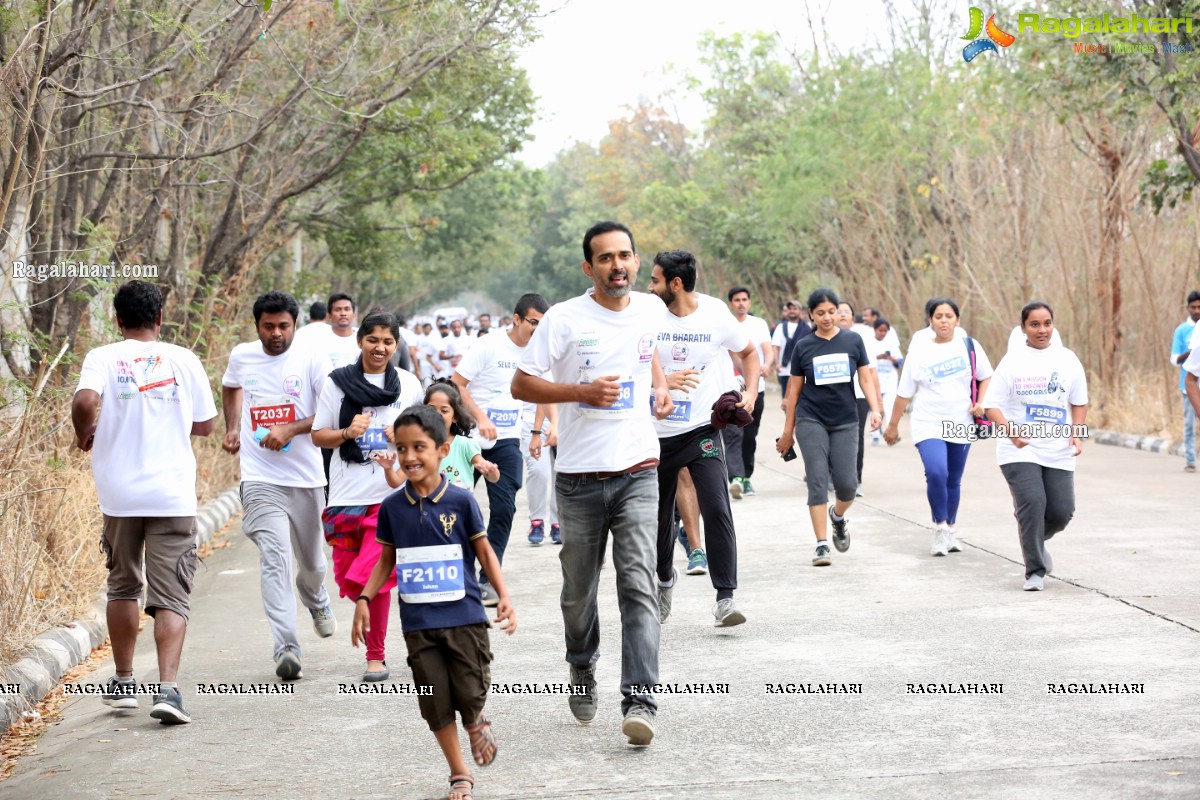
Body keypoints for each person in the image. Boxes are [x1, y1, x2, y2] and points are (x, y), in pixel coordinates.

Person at [512, 220, 673, 746]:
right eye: (605, 258)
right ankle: (582, 664)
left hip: (638, 470)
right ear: (589, 267)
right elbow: (522, 383)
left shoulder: (651, 308)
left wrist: (663, 389)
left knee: (637, 584)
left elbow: (649, 358)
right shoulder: (562, 319)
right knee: (578, 594)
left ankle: (641, 699)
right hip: (578, 479)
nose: (617, 265)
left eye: (625, 255)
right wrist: (579, 392)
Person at [352, 405, 516, 800]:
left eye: (419, 447)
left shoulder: (460, 501)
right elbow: (385, 559)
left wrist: (504, 595)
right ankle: (459, 773)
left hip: (465, 617)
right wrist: (364, 596)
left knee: (470, 690)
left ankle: (476, 719)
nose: (409, 457)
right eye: (403, 448)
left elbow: (484, 552)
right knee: (434, 701)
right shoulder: (392, 507)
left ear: (442, 450)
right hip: (418, 622)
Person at [71, 281, 216, 724]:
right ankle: (168, 691)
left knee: (123, 584)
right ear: (159, 319)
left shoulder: (102, 357)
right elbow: (206, 425)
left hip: (120, 494)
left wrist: (83, 434)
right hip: (171, 493)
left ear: (117, 319)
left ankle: (124, 680)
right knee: (171, 591)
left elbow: (85, 400)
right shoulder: (184, 359)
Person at [221, 291, 336, 680]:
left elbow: (326, 411)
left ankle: (316, 596)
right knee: (275, 558)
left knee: (314, 564)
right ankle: (286, 646)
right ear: (257, 326)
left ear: (295, 325)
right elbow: (231, 385)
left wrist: (289, 427)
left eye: (283, 326)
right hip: (259, 477)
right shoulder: (242, 356)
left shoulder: (310, 357)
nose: (275, 334)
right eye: (268, 326)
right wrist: (233, 427)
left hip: (305, 477)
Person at [647, 249, 760, 626]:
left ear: (675, 284)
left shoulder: (714, 313)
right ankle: (664, 579)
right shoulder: (646, 313)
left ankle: (725, 598)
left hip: (701, 430)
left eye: (655, 279)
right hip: (656, 436)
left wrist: (752, 392)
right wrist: (660, 381)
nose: (650, 285)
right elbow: (631, 360)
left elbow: (749, 352)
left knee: (716, 505)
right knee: (662, 519)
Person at [310, 312, 423, 681]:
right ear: (360, 341)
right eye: (373, 340)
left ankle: (376, 656)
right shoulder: (337, 384)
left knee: (378, 574)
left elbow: (424, 438)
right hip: (345, 494)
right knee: (348, 577)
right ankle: (368, 621)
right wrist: (346, 431)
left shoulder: (408, 385)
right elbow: (318, 435)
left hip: (389, 494)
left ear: (397, 345)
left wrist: (402, 437)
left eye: (388, 341)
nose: (380, 348)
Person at [984, 301, 1088, 592]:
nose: (1041, 330)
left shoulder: (1067, 359)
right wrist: (1011, 431)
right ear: (1023, 329)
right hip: (1019, 448)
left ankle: (1035, 538)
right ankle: (1035, 571)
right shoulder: (1012, 361)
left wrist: (1076, 433)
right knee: (1032, 503)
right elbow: (991, 406)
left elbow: (1079, 401)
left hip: (1058, 448)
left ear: (1053, 325)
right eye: (1034, 324)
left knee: (1061, 512)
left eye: (1047, 323)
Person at [453, 294, 549, 605]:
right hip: (468, 439)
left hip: (507, 441)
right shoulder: (489, 345)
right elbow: (457, 383)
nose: (538, 329)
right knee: (456, 509)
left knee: (505, 509)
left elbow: (540, 393)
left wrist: (536, 432)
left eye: (542, 324)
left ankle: (488, 579)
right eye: (534, 322)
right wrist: (479, 418)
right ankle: (458, 573)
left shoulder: (540, 353)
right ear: (517, 319)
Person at [777, 288, 882, 567]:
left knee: (848, 486)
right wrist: (788, 432)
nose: (826, 317)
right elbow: (793, 393)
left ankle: (838, 517)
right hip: (811, 419)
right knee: (817, 481)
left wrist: (875, 409)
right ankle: (822, 544)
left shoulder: (853, 340)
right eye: (820, 312)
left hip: (846, 419)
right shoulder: (803, 347)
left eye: (831, 311)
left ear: (839, 312)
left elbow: (866, 379)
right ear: (810, 314)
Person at [883, 298, 992, 556]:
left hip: (960, 422)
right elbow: (904, 392)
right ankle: (940, 528)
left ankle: (951, 530)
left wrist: (981, 402)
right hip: (928, 422)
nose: (944, 321)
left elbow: (987, 376)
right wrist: (893, 425)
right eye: (938, 316)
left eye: (949, 316)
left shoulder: (969, 346)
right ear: (930, 321)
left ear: (957, 320)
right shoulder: (919, 351)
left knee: (953, 479)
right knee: (936, 472)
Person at [723, 286, 773, 498]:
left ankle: (746, 477)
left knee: (749, 437)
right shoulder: (725, 324)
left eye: (744, 299)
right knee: (734, 435)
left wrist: (767, 365)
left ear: (749, 303)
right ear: (731, 303)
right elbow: (733, 353)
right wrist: (743, 373)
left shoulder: (758, 324)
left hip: (755, 389)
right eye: (737, 300)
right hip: (730, 389)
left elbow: (767, 351)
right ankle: (736, 478)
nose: (741, 303)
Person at [405, 381, 500, 491]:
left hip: (460, 507)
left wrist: (491, 471)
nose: (437, 414)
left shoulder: (464, 444)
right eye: (431, 409)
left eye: (444, 410)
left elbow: (492, 476)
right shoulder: (417, 445)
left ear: (455, 417)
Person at [837, 301, 882, 495]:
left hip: (858, 396)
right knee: (834, 438)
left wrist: (877, 405)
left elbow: (871, 374)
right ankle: (835, 476)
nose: (843, 315)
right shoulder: (820, 339)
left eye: (847, 312)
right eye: (838, 311)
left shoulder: (860, 339)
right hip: (832, 398)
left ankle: (856, 479)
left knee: (856, 438)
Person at [523, 401, 561, 546]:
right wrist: (536, 431)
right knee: (539, 471)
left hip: (562, 420)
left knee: (561, 472)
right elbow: (543, 397)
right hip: (532, 422)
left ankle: (558, 522)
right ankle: (536, 521)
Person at [1170, 291, 1200, 472]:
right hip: (1188, 386)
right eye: (1193, 307)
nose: (1197, 310)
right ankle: (1190, 459)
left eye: (1199, 307)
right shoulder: (1182, 330)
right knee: (1190, 424)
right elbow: (1174, 360)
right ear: (1188, 308)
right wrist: (1193, 352)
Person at [871, 317, 902, 445]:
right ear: (875, 330)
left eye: (885, 331)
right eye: (880, 330)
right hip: (875, 381)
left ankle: (891, 432)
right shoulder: (869, 343)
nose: (882, 333)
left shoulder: (892, 344)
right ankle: (875, 434)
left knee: (889, 407)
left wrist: (890, 358)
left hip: (889, 381)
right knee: (876, 408)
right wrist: (877, 357)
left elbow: (899, 362)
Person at [771, 299, 811, 397]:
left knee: (801, 397)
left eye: (795, 308)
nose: (792, 311)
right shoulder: (780, 327)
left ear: (800, 311)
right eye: (790, 309)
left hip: (802, 369)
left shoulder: (807, 328)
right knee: (786, 398)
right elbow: (775, 346)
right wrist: (777, 363)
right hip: (784, 369)